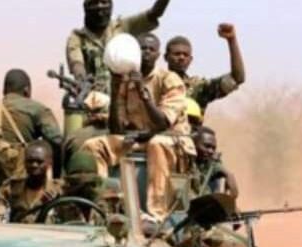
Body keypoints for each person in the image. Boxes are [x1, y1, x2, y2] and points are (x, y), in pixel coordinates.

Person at [77, 33, 195, 221]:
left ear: (158, 55)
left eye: (151, 49)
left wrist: (143, 93)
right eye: (142, 49)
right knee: (93, 146)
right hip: (140, 139)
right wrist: (116, 87)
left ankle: (157, 214)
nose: (146, 52)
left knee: (157, 143)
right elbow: (116, 128)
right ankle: (106, 204)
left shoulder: (169, 79)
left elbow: (163, 122)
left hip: (172, 140)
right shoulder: (127, 80)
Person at [0, 69, 63, 194]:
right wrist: (56, 178)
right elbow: (57, 142)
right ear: (27, 90)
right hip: (21, 186)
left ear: (4, 90)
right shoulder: (36, 109)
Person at [66, 0, 171, 91]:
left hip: (123, 95)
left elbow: (154, 14)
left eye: (104, 2)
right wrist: (82, 80)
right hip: (95, 97)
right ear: (86, 8)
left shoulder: (122, 26)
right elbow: (76, 63)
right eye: (94, 3)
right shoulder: (77, 37)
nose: (100, 6)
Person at [165, 23, 246, 115]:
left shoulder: (198, 88)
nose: (181, 57)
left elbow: (237, 78)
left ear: (190, 60)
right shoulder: (155, 83)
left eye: (185, 55)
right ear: (166, 57)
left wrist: (232, 40)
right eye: (177, 54)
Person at [0, 141, 64, 224]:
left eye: (39, 162)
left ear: (50, 163)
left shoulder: (58, 190)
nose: (34, 165)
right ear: (24, 162)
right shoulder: (13, 187)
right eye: (30, 161)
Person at [191, 126, 239, 199]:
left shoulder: (209, 162)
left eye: (213, 148)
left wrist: (228, 174)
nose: (211, 151)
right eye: (206, 146)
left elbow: (217, 167)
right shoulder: (182, 159)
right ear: (193, 144)